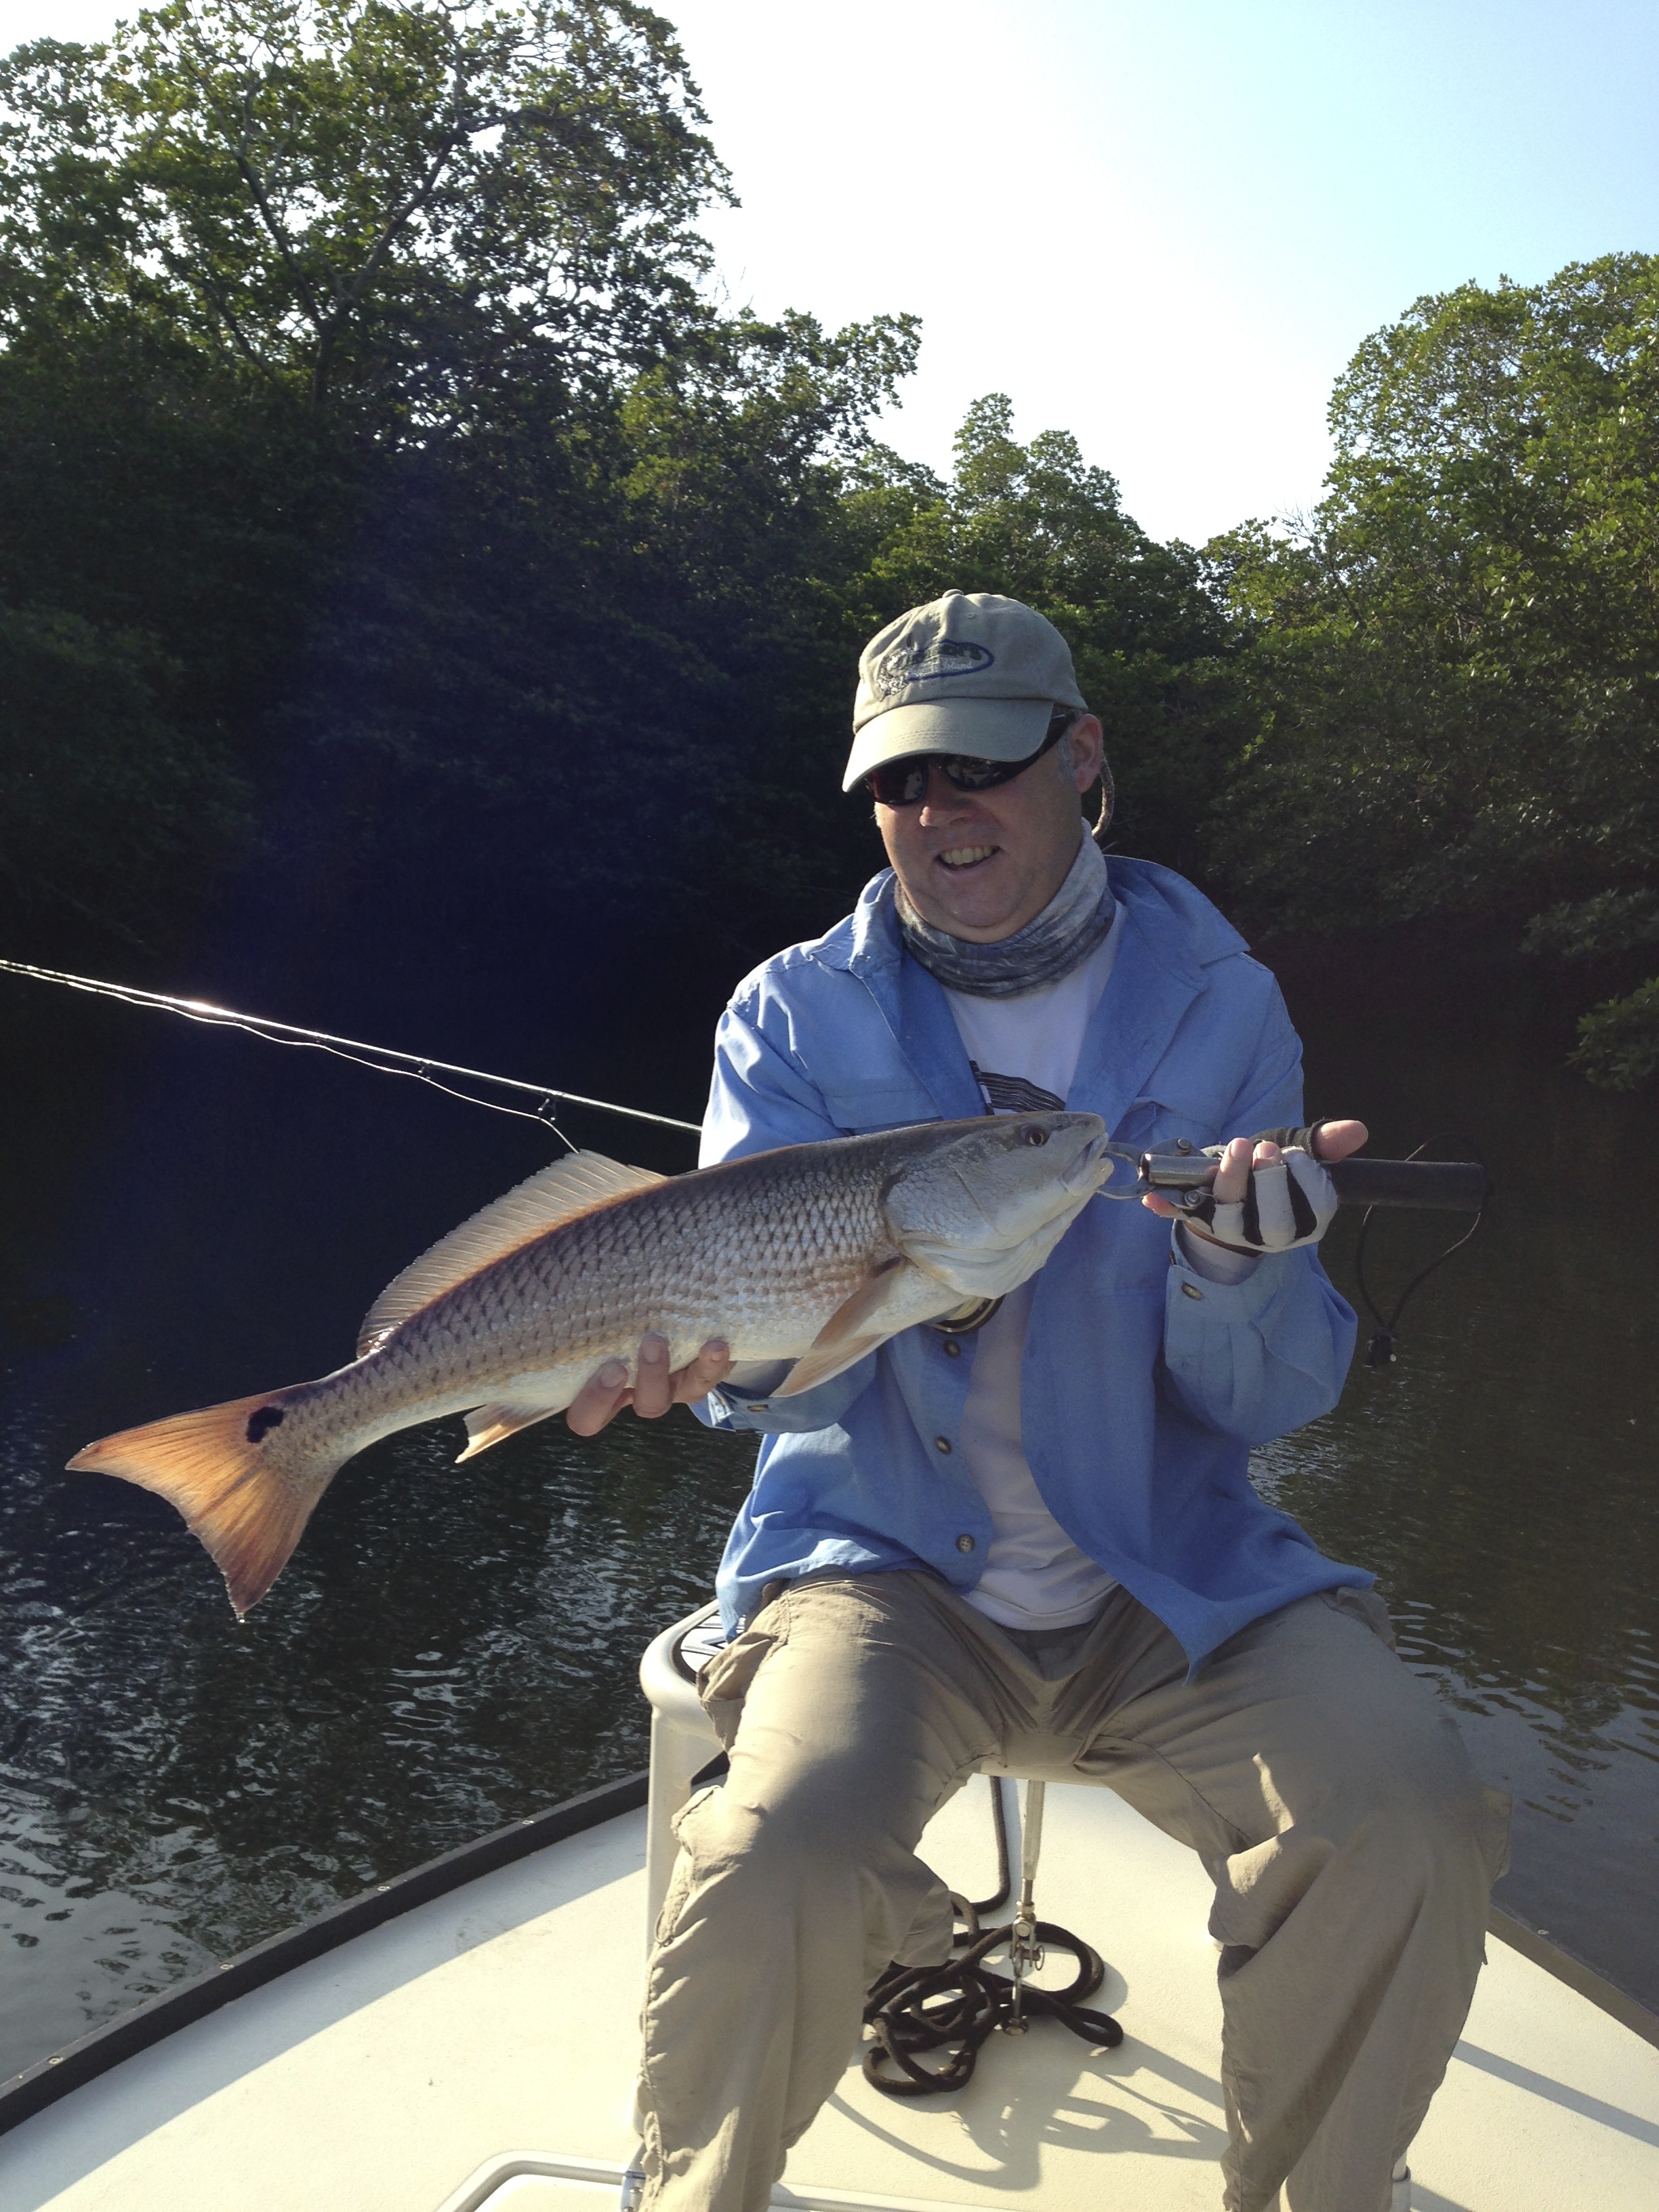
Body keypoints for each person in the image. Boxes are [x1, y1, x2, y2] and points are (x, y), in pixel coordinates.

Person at [564, 591, 1510, 2212]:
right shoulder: (791, 1011)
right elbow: (768, 1390)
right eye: (900, 784)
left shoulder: (1225, 1003)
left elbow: (1271, 1400)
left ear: (1083, 758)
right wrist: (707, 1364)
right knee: (769, 1849)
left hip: (1171, 1575)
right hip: (877, 1573)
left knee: (1410, 1809)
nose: (939, 817)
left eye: (981, 769)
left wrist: (1239, 1271)